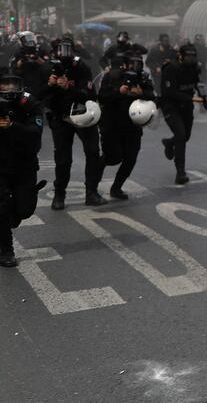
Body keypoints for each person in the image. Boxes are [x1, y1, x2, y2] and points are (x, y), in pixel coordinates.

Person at [41, 39, 107, 209]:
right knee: (63, 159)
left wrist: (69, 88)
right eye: (60, 50)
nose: (64, 53)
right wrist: (50, 85)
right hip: (61, 117)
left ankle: (91, 192)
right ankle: (59, 194)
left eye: (67, 50)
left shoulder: (81, 67)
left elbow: (88, 94)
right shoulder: (48, 68)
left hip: (83, 115)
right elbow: (38, 96)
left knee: (93, 151)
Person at [0, 73, 45, 267]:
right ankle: (6, 250)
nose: (9, 90)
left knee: (24, 210)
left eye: (13, 86)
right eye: (5, 86)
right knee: (0, 208)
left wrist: (12, 126)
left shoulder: (30, 103)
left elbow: (35, 132)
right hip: (1, 165)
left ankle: (12, 213)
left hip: (24, 164)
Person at [97, 54, 155, 200]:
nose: (135, 67)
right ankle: (91, 186)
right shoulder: (112, 76)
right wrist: (119, 91)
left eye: (138, 64)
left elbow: (152, 96)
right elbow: (102, 97)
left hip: (133, 126)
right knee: (112, 157)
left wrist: (142, 93)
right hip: (112, 124)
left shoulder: (143, 78)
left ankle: (116, 188)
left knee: (131, 158)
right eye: (132, 64)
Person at [160, 43, 204, 185]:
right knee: (180, 135)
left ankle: (169, 142)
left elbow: (197, 84)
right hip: (171, 106)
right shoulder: (171, 68)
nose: (190, 59)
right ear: (181, 55)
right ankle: (180, 172)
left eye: (193, 56)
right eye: (188, 56)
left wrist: (204, 97)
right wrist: (190, 98)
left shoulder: (194, 68)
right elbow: (168, 92)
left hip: (186, 107)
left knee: (186, 136)